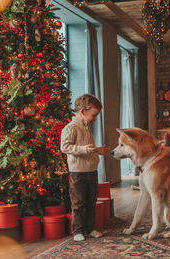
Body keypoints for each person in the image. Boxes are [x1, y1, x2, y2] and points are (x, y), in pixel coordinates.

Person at [60, 93, 110, 242]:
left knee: (90, 201)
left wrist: (100, 150)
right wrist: (84, 150)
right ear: (83, 111)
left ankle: (89, 228)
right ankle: (77, 231)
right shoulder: (71, 127)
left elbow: (89, 148)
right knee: (79, 203)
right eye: (93, 115)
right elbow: (65, 146)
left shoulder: (86, 127)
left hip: (91, 170)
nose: (95, 119)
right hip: (78, 172)